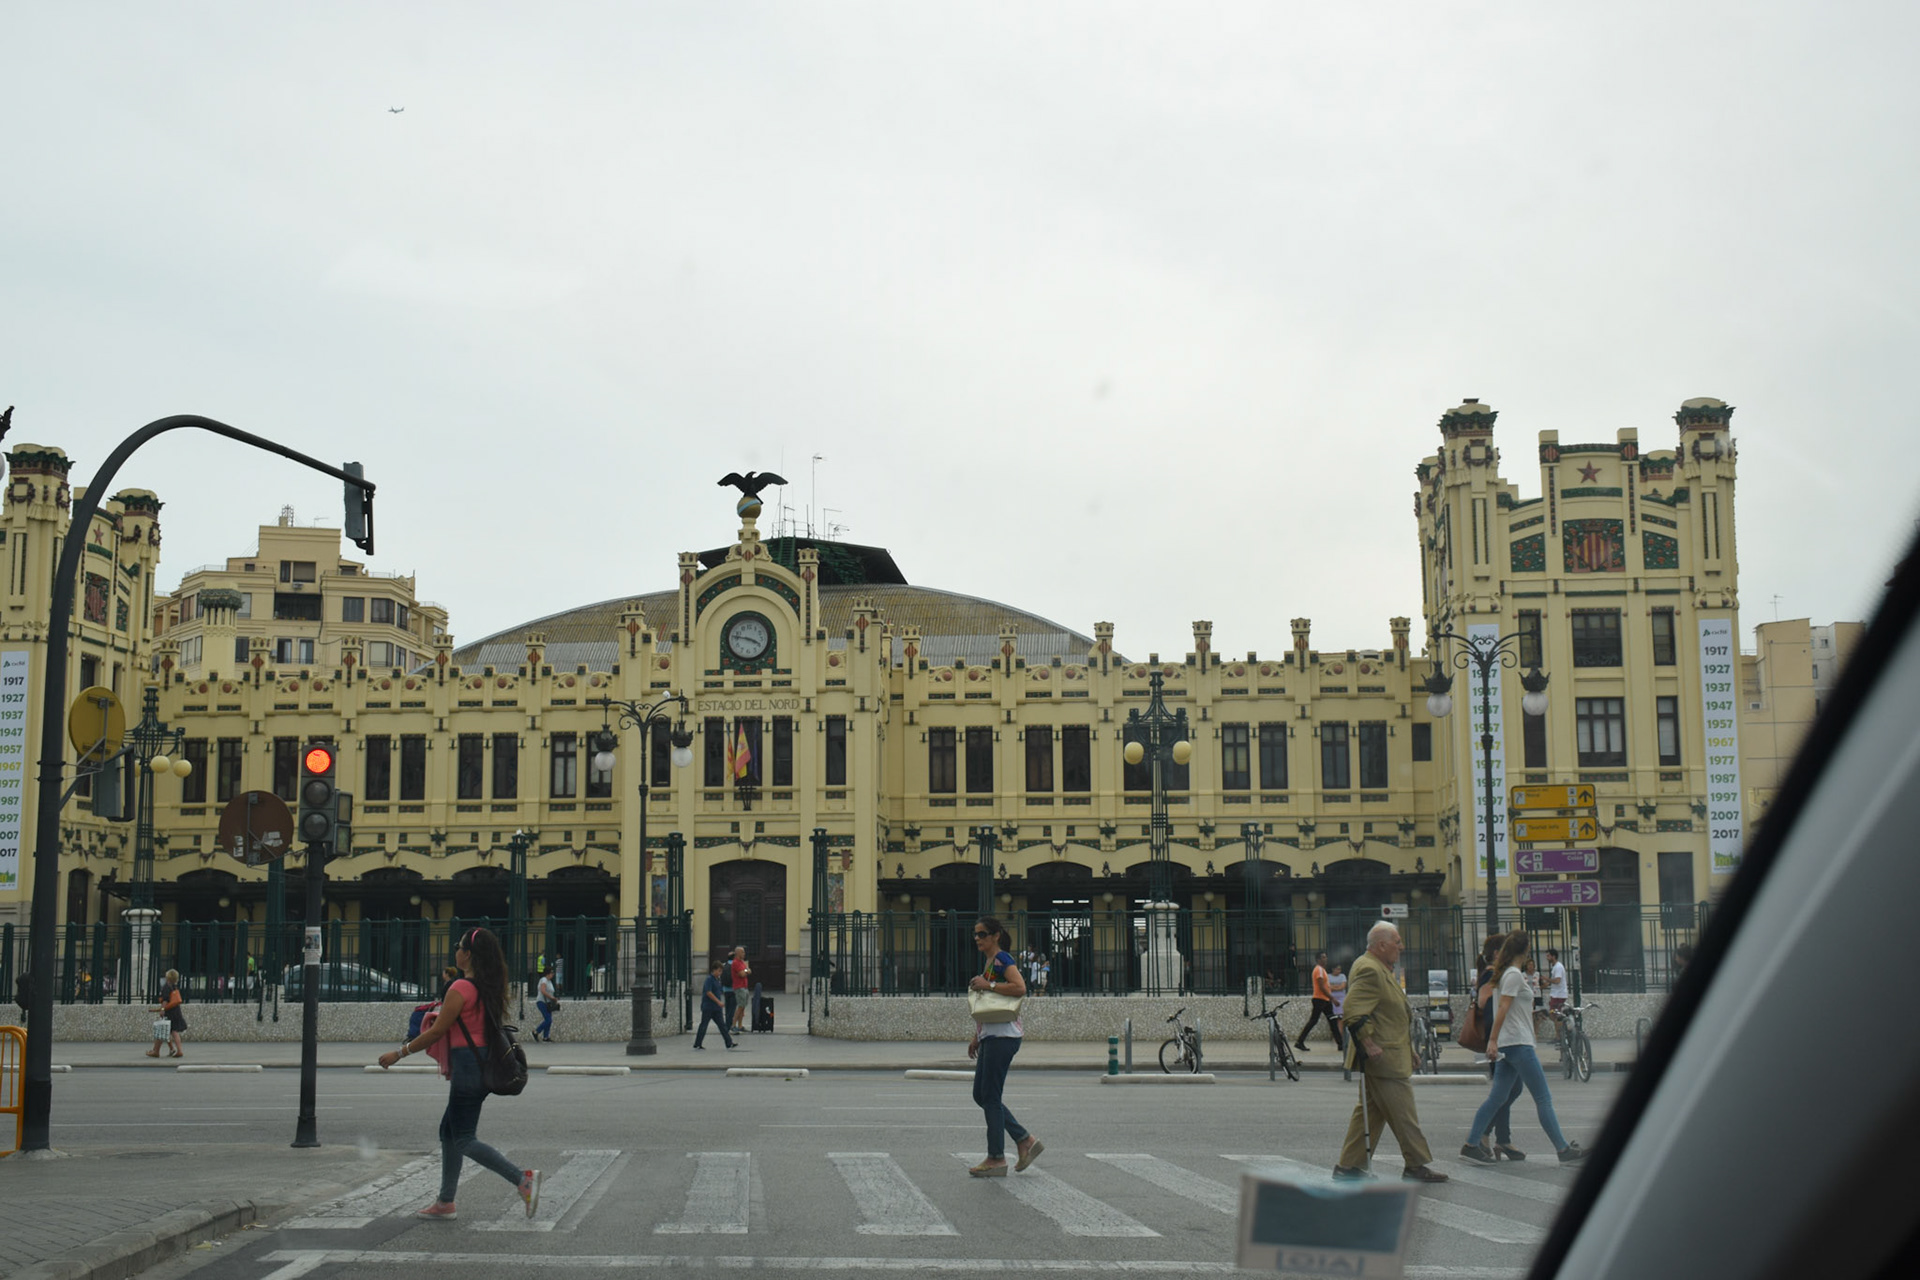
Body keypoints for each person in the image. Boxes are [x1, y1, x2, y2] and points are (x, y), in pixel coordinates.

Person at [378, 927, 541, 1221]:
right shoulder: (487, 986)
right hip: (481, 1062)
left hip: (468, 1066)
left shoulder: (460, 988)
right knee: (449, 1132)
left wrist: (399, 1053)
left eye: (459, 946)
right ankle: (446, 1202)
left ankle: (522, 1180)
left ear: (467, 954)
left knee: (464, 1138)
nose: (455, 950)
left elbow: (437, 1031)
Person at [1334, 922, 1447, 1183]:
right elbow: (1353, 1011)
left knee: (1370, 1114)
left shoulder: (1378, 967)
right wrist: (1369, 1044)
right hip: (1383, 1058)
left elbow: (1389, 1016)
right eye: (1397, 942)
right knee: (1404, 1113)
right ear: (1382, 945)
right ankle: (1415, 1165)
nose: (1401, 947)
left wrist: (1410, 1050)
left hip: (1390, 1053)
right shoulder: (1370, 969)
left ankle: (1348, 1168)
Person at [1462, 930, 1587, 1166]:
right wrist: (1492, 1040)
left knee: (1497, 1098)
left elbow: (1508, 1007)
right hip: (1517, 1044)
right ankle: (1563, 1150)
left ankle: (1471, 1144)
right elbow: (1503, 1008)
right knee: (1543, 1098)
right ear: (1526, 949)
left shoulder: (1506, 974)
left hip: (1509, 1044)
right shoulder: (1513, 975)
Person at [967, 916, 1041, 1177]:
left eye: (982, 934)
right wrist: (977, 1036)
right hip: (991, 1036)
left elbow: (1020, 988)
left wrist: (988, 984)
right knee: (981, 1095)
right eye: (975, 934)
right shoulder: (989, 962)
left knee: (990, 1097)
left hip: (1004, 1037)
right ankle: (1024, 1139)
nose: (977, 938)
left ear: (996, 936)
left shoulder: (1002, 959)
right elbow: (989, 1004)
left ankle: (996, 1157)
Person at [1470, 934, 1525, 1161]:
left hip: (1501, 1038)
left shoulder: (1496, 973)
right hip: (1498, 1038)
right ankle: (1485, 1135)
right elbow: (1483, 1001)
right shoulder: (1491, 974)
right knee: (1508, 1090)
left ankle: (1502, 1138)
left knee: (1508, 1090)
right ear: (1496, 953)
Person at [1296, 950, 1342, 1052]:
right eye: (1323, 957)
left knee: (1332, 1021)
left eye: (1326, 957)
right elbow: (1321, 986)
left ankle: (1340, 1043)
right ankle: (1299, 1041)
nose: (1326, 959)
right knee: (1314, 1021)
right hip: (1320, 999)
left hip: (1325, 1000)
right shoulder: (1319, 970)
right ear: (1318, 960)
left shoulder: (1322, 970)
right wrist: (1332, 998)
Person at [694, 960, 737, 1050]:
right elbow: (708, 992)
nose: (720, 973)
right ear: (713, 970)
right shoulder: (709, 979)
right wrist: (718, 1002)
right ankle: (698, 1043)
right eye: (719, 971)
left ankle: (729, 1043)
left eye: (721, 971)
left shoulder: (718, 980)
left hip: (716, 1008)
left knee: (722, 1026)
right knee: (704, 1025)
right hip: (708, 1007)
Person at [147, 969, 187, 1058]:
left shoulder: (166, 987)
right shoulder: (175, 987)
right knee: (173, 1031)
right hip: (176, 1011)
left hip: (169, 1011)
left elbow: (165, 1000)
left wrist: (162, 1009)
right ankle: (177, 1050)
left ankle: (156, 1051)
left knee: (162, 1029)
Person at [728, 946, 752, 1033]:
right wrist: (746, 971)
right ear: (737, 953)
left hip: (744, 986)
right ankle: (733, 1025)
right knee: (740, 1006)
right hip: (739, 987)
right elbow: (742, 974)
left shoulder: (742, 962)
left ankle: (740, 1025)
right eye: (742, 952)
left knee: (743, 1007)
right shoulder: (736, 963)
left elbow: (748, 970)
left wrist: (745, 971)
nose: (744, 954)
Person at [534, 969, 557, 1043]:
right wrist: (551, 997)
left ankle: (546, 1036)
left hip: (548, 1003)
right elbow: (543, 990)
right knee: (548, 1019)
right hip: (542, 1002)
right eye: (551, 973)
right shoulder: (544, 980)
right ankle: (536, 1031)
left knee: (549, 1019)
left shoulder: (549, 981)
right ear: (548, 973)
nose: (552, 974)